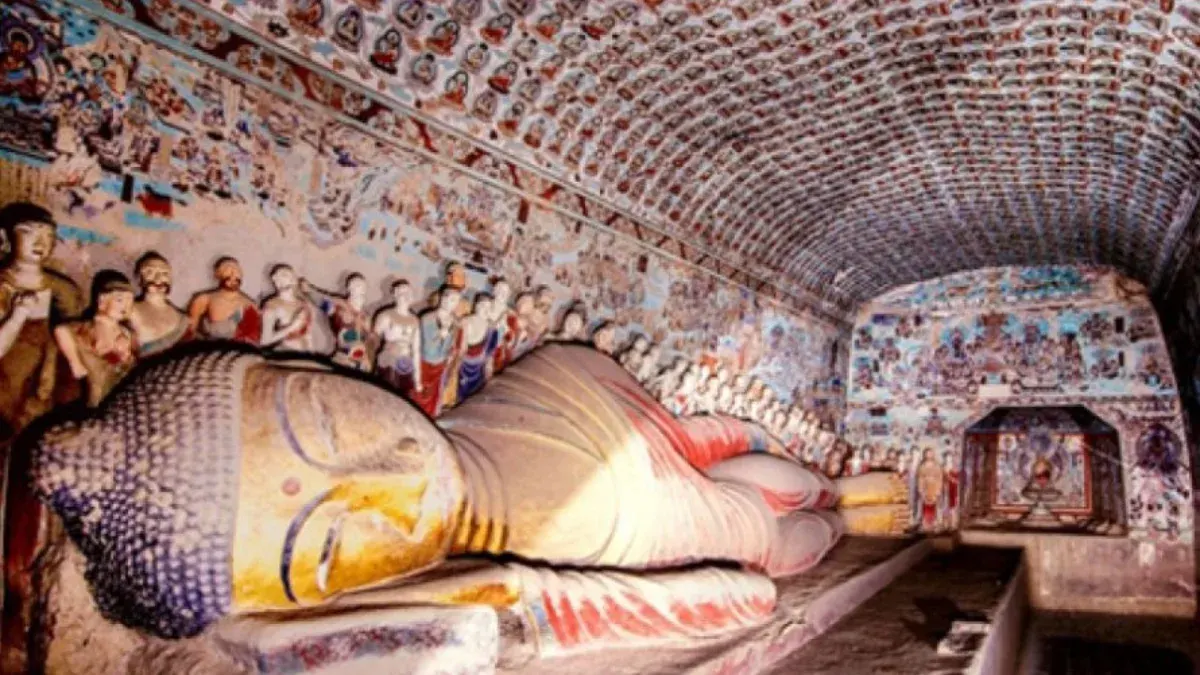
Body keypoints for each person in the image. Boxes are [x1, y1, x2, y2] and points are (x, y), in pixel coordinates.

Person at [0, 202, 83, 438]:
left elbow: (72, 342)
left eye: (48, 235)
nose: (40, 242)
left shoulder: (64, 290)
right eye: (28, 232)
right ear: (4, 237)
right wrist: (17, 317)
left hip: (43, 387)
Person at [54, 270, 138, 407]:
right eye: (120, 300)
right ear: (102, 300)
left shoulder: (127, 331)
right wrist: (75, 363)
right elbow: (61, 330)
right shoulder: (89, 327)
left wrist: (126, 354)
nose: (125, 306)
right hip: (98, 383)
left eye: (130, 301)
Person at [303, 274, 374, 371]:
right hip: (344, 357)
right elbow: (321, 302)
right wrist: (309, 290)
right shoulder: (339, 306)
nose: (361, 288)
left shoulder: (366, 317)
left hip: (362, 361)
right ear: (349, 288)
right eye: (357, 285)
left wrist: (367, 360)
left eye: (363, 286)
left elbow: (368, 342)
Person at [187, 256, 261, 344]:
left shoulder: (250, 305)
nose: (233, 273)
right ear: (217, 274)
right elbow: (190, 331)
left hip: (240, 349)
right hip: (211, 348)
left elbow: (254, 339)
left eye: (237, 270)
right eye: (227, 269)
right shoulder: (205, 299)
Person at [128, 252, 189, 357]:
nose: (158, 278)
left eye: (164, 273)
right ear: (139, 278)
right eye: (150, 272)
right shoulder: (128, 310)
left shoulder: (182, 319)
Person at [373, 279, 421, 396]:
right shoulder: (385, 316)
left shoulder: (414, 320)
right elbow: (372, 341)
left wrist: (417, 378)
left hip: (406, 365)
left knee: (403, 397)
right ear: (395, 295)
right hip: (389, 363)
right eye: (402, 293)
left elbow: (416, 350)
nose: (406, 296)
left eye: (408, 293)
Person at [260, 264, 316, 353]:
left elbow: (308, 334)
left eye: (287, 275)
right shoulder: (272, 305)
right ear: (275, 280)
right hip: (285, 354)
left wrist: (312, 353)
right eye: (282, 275)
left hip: (306, 354)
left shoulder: (303, 303)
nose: (291, 278)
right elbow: (264, 341)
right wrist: (292, 327)